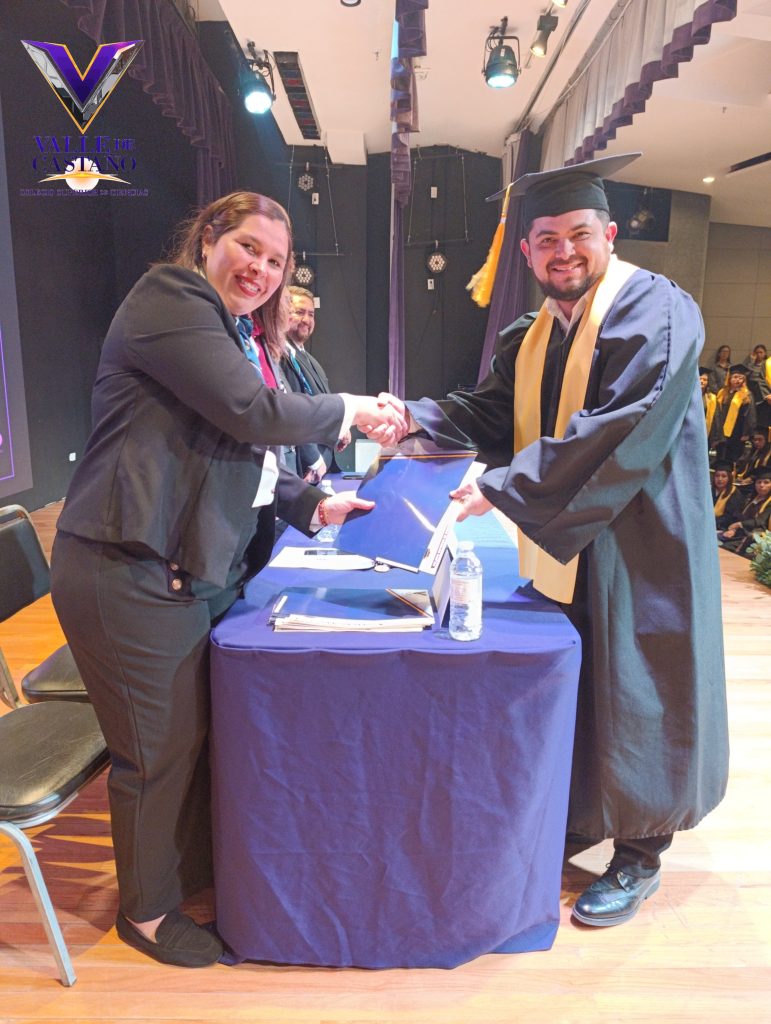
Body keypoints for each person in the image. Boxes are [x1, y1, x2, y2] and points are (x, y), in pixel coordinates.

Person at [49, 191, 405, 968]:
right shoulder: (170, 298)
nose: (260, 270)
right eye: (248, 247)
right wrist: (349, 408)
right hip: (126, 566)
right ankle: (145, 913)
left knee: (188, 736)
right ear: (209, 236)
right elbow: (250, 413)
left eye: (275, 261)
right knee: (157, 753)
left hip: (179, 569)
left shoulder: (232, 332)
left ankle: (185, 872)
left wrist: (313, 506)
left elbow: (247, 456)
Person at [376, 153, 729, 928]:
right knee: (578, 679)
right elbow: (488, 411)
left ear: (609, 235)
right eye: (545, 240)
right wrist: (408, 416)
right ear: (526, 254)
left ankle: (640, 852)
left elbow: (620, 427)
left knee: (641, 687)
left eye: (577, 234)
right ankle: (581, 817)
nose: (563, 251)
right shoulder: (531, 333)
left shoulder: (654, 310)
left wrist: (505, 486)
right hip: (567, 537)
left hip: (641, 541)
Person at [281, 286, 350, 482]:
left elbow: (319, 405)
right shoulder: (280, 356)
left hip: (322, 468)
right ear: (283, 313)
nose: (306, 319)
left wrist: (339, 428)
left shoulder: (311, 361)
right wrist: (312, 458)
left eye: (311, 314)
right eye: (299, 312)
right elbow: (293, 411)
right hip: (303, 468)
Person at [718, 468, 771, 556]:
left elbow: (760, 521)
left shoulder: (769, 503)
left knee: (724, 549)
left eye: (766, 482)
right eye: (759, 482)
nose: (761, 485)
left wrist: (739, 524)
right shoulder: (750, 499)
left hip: (754, 536)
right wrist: (733, 529)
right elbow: (738, 515)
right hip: (739, 533)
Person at [710, 363, 756, 464]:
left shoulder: (746, 395)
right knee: (720, 455)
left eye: (740, 378)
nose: (737, 380)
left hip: (737, 432)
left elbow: (750, 415)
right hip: (721, 431)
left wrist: (746, 433)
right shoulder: (722, 392)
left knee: (732, 456)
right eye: (735, 377)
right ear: (729, 378)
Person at [746, 343, 771, 437]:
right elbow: (761, 379)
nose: (759, 354)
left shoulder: (767, 363)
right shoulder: (767, 363)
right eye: (757, 352)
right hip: (761, 396)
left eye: (761, 352)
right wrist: (767, 395)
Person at [711, 460, 744, 532]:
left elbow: (730, 516)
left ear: (729, 478)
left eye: (724, 476)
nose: (720, 479)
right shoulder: (709, 490)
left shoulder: (734, 493)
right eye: (717, 476)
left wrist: (711, 522)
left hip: (724, 528)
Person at [700, 365, 717, 437]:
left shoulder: (711, 398)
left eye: (705, 380)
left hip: (704, 428)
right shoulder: (689, 395)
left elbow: (715, 418)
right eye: (700, 379)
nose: (702, 381)